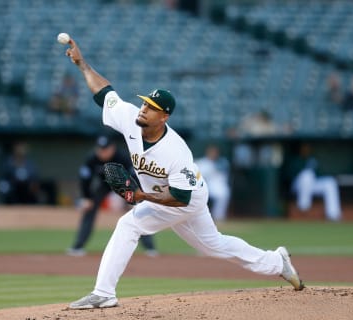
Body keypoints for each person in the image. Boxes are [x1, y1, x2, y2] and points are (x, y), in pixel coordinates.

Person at [62, 36, 304, 309]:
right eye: (144, 104)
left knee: (129, 225)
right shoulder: (131, 119)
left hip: (186, 197)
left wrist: (142, 195)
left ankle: (104, 293)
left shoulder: (175, 151)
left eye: (151, 109)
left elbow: (181, 198)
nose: (143, 109)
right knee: (213, 246)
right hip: (171, 197)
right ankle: (277, 261)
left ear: (164, 117)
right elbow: (105, 94)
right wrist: (83, 65)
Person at [67, 134, 157, 257]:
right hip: (104, 184)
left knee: (138, 211)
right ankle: (78, 247)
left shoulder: (123, 157)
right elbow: (85, 179)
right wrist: (86, 197)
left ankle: (150, 248)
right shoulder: (92, 158)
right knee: (89, 209)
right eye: (100, 149)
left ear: (112, 148)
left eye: (105, 149)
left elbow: (135, 176)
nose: (102, 152)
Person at [285, 143, 341, 221]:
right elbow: (288, 175)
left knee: (330, 182)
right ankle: (303, 208)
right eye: (304, 148)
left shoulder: (312, 160)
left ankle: (333, 214)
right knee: (306, 175)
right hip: (298, 185)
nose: (306, 150)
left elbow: (318, 174)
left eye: (307, 148)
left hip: (311, 185)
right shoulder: (295, 160)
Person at [195, 144, 231, 221]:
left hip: (216, 185)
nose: (213, 154)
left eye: (215, 152)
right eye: (211, 152)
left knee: (224, 194)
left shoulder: (222, 162)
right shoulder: (202, 162)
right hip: (203, 184)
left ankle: (219, 217)